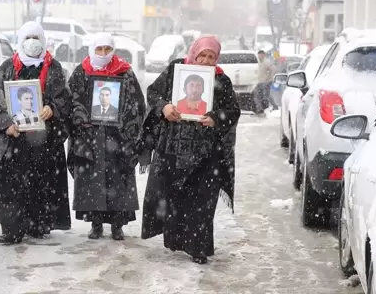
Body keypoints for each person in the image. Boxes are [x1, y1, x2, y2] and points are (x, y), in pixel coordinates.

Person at [138, 34, 240, 264]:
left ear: (217, 58)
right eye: (201, 55)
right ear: (194, 53)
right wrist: (164, 107)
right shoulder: (177, 70)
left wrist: (215, 118)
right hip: (172, 147)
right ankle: (176, 240)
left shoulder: (221, 80)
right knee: (174, 196)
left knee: (202, 201)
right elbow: (153, 92)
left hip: (206, 154)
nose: (204, 60)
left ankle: (198, 247)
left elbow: (233, 110)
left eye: (210, 56)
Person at [0, 21, 71, 244]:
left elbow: (65, 100)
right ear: (20, 40)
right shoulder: (8, 68)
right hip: (14, 140)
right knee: (11, 184)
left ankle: (37, 224)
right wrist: (5, 125)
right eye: (28, 37)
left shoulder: (54, 68)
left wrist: (53, 109)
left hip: (44, 140)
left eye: (36, 37)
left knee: (41, 181)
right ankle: (12, 229)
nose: (32, 42)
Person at [67, 33, 146, 240]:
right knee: (93, 182)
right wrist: (83, 118)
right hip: (89, 138)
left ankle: (117, 224)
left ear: (113, 50)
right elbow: (72, 100)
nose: (103, 54)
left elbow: (137, 103)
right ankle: (96, 224)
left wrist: (124, 119)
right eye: (99, 49)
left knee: (118, 180)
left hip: (118, 138)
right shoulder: (81, 72)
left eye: (107, 49)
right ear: (92, 49)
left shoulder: (125, 72)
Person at [253, 49, 276, 115]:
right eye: (259, 55)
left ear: (263, 55)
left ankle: (274, 106)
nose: (259, 56)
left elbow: (273, 69)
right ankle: (259, 108)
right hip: (260, 81)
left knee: (266, 95)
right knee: (257, 95)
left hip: (266, 82)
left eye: (261, 55)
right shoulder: (259, 62)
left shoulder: (267, 62)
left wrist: (269, 78)